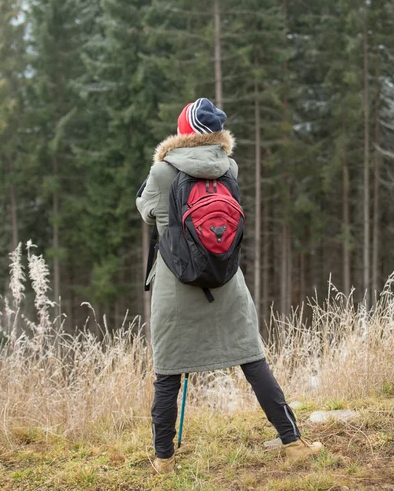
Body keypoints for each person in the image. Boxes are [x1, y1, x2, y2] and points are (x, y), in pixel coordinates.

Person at [136, 98, 322, 475]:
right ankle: (293, 442)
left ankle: (164, 460)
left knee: (168, 372)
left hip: (176, 285)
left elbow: (146, 211)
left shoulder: (162, 172)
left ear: (182, 132)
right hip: (226, 281)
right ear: (217, 133)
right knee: (253, 361)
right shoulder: (229, 166)